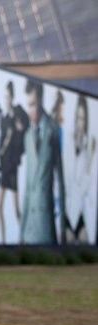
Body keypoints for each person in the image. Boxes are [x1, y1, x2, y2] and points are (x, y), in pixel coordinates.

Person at [20, 79, 66, 245]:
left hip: (45, 223)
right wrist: (21, 232)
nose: (30, 110)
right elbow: (28, 186)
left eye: (33, 104)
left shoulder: (53, 129)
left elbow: (60, 182)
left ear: (40, 100)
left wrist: (63, 228)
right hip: (28, 229)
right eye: (28, 105)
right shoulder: (27, 136)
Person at [0, 80, 29, 244]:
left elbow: (26, 126)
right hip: (5, 167)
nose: (6, 100)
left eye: (8, 97)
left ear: (12, 97)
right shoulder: (4, 120)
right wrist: (7, 139)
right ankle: (3, 241)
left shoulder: (18, 113)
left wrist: (20, 128)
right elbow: (0, 150)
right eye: (5, 97)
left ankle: (23, 240)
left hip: (13, 167)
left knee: (16, 209)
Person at [64, 94, 96, 244]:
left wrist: (89, 160)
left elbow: (86, 184)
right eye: (77, 117)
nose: (79, 123)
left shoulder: (88, 146)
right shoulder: (68, 141)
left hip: (80, 211)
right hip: (67, 211)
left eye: (82, 119)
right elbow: (66, 180)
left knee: (85, 242)